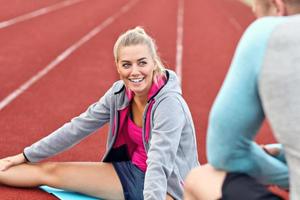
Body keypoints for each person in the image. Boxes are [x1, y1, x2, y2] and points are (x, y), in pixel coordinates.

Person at [0, 26, 199, 200]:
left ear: (154, 63)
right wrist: (24, 156)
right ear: (118, 67)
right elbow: (77, 128)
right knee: (49, 171)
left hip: (169, 187)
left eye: (142, 63)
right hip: (132, 172)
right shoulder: (119, 94)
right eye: (126, 65)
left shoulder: (169, 105)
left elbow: (159, 161)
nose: (135, 72)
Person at [184, 0, 300, 199]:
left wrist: (290, 175)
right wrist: (283, 152)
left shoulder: (266, 34)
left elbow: (226, 153)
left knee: (200, 177)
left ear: (278, 7)